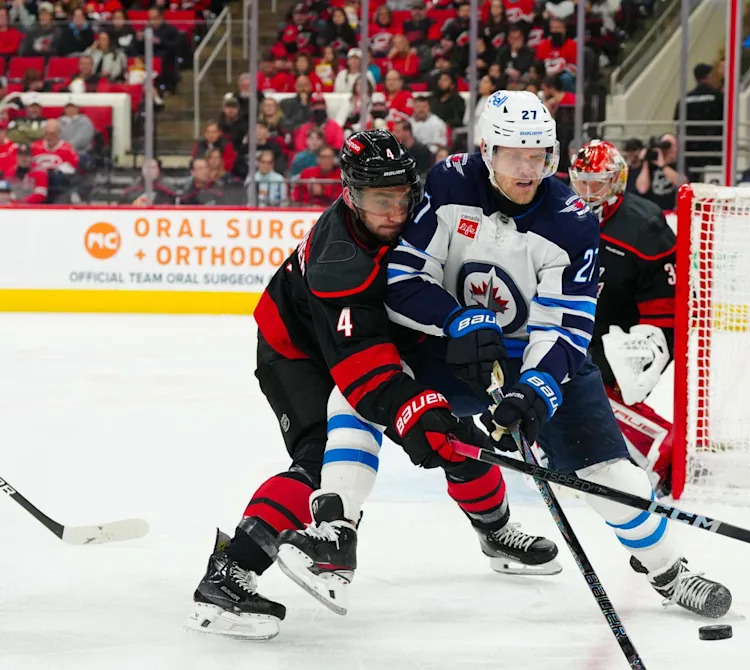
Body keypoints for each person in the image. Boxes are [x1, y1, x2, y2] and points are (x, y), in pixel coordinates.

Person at [186, 130, 558, 640]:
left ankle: (495, 533)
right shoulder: (338, 260)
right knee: (323, 460)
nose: (395, 213)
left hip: (383, 332)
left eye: (402, 197)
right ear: (349, 193)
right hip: (300, 351)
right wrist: (414, 410)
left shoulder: (424, 211)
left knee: (453, 430)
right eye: (379, 201)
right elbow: (363, 370)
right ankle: (229, 575)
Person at [384, 91, 731, 618]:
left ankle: (667, 569)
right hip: (455, 346)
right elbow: (405, 277)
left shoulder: (572, 220)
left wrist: (536, 388)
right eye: (515, 155)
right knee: (359, 394)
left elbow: (566, 326)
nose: (530, 168)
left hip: (538, 355)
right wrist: (456, 320)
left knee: (612, 474)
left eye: (540, 154)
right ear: (486, 149)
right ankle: (334, 526)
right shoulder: (449, 183)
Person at [569, 139, 678, 493]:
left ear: (617, 180)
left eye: (596, 181)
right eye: (580, 181)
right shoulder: (561, 212)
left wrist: (645, 351)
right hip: (581, 324)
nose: (587, 191)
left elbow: (667, 305)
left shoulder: (644, 225)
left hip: (628, 333)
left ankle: (668, 453)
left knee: (582, 389)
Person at [675, 63, 723, 180]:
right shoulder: (718, 97)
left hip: (690, 150)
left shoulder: (685, 99)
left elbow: (677, 123)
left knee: (693, 180)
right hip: (713, 148)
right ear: (709, 76)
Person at [636, 132, 685, 211]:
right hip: (655, 211)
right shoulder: (652, 165)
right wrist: (646, 161)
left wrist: (663, 165)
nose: (671, 149)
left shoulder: (681, 164)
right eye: (667, 145)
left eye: (674, 145)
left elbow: (683, 184)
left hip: (674, 211)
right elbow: (642, 189)